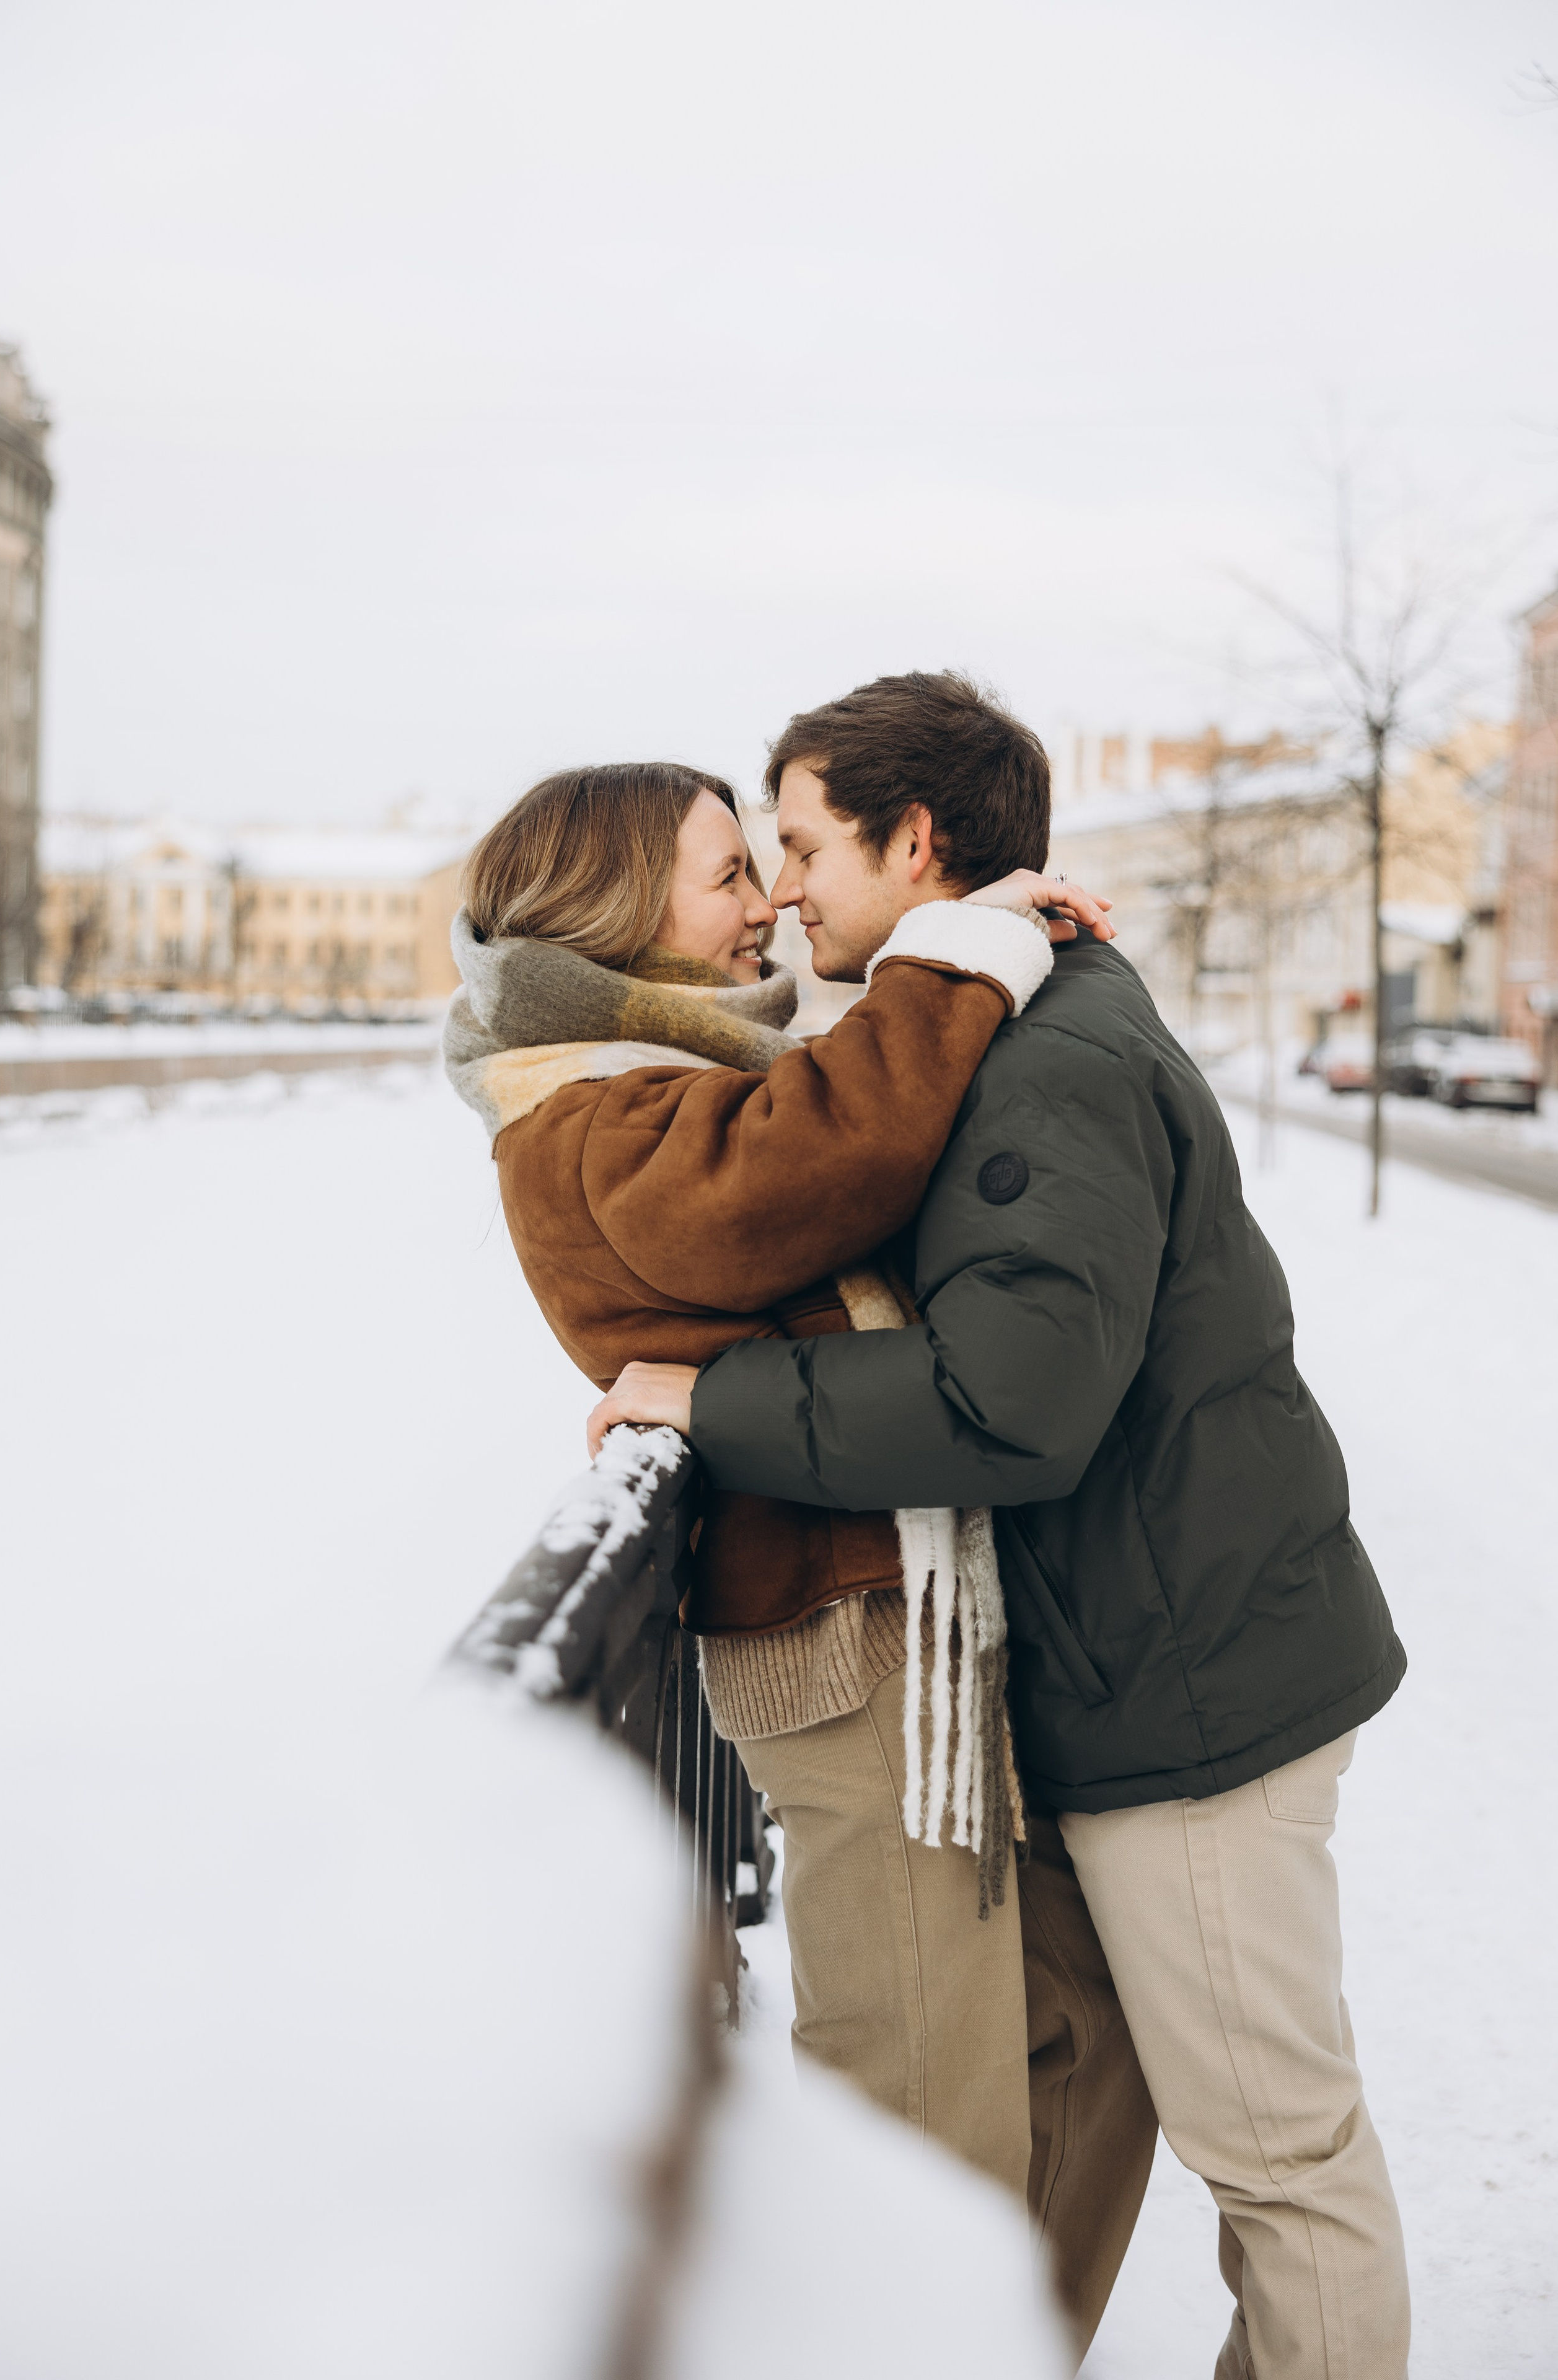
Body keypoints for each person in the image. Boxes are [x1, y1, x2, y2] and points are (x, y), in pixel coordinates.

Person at [593, 673, 1413, 2380]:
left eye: (808, 844)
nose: (788, 886)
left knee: (1279, 2154)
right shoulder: (1000, 1010)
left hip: (1189, 1692)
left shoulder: (1046, 1062)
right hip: (1141, 1662)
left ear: (917, 840)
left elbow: (1008, 1405)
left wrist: (707, 1401)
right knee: (1137, 2111)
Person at [445, 752, 1156, 2356]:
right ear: (619, 908)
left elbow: (819, 1116)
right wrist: (956, 953)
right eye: (724, 874)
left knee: (1085, 2036)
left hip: (910, 1596)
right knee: (923, 2099)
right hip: (833, 1638)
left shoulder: (665, 1065)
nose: (765, 900)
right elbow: (820, 1161)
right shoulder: (581, 1109)